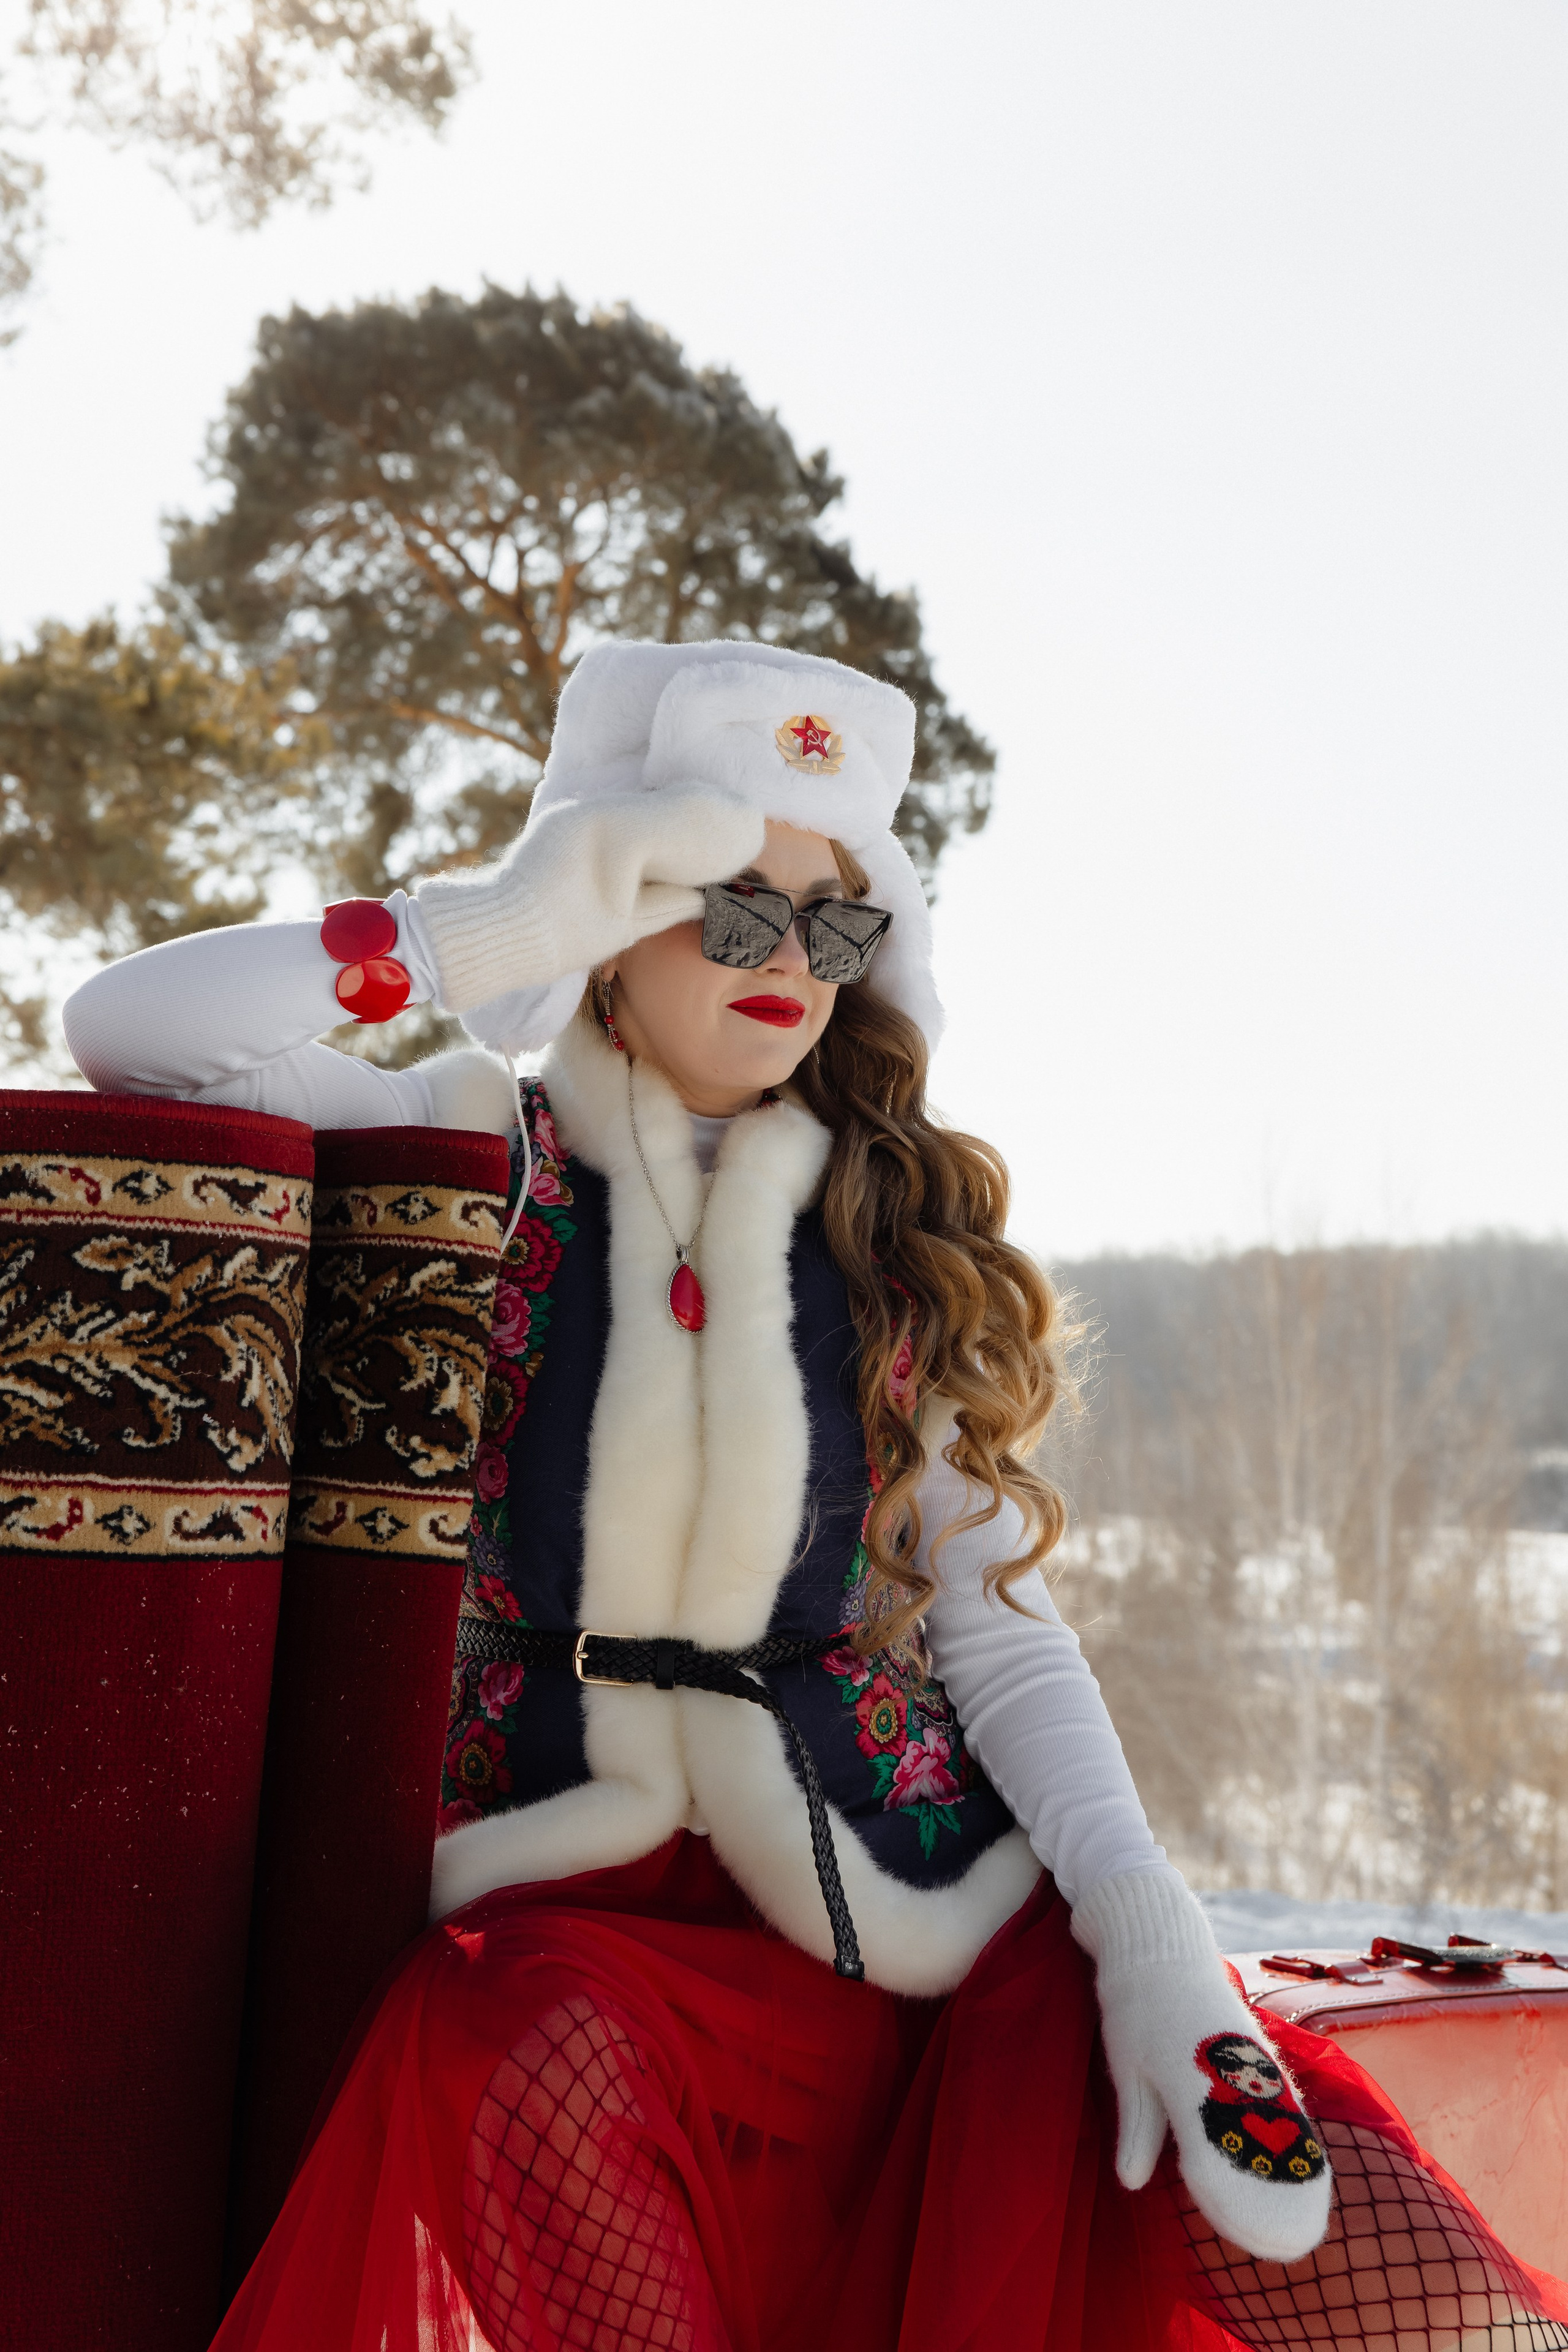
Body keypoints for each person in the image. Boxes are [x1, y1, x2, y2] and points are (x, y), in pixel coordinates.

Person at [64, 642, 1568, 2352]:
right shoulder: (460, 1151)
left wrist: (1149, 1932)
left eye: (836, 926)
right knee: (526, 2059)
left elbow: (999, 1636)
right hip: (576, 1958)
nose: (790, 960)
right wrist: (495, 923)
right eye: (730, 905)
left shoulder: (892, 1234)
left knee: (1436, 2309)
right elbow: (131, 1037)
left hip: (940, 1928)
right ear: (612, 908)